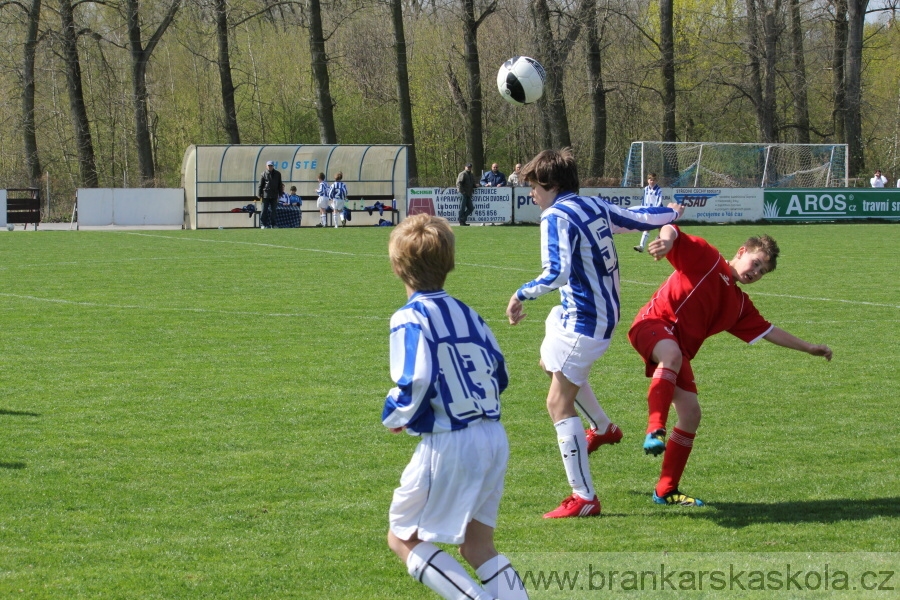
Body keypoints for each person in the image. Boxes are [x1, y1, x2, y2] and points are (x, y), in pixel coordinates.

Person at [505, 148, 684, 519]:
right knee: (549, 361)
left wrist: (520, 294)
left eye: (534, 187)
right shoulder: (594, 205)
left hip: (586, 321)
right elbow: (638, 218)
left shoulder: (554, 216)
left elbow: (557, 273)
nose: (531, 195)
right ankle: (602, 427)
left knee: (557, 403)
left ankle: (584, 496)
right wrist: (673, 212)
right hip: (595, 314)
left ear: (551, 185)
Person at [628, 225, 833, 507]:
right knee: (672, 356)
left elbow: (769, 330)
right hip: (652, 325)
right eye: (755, 263)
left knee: (691, 415)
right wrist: (665, 241)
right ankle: (655, 428)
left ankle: (666, 490)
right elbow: (671, 228)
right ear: (741, 252)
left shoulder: (737, 304)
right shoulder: (708, 258)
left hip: (678, 351)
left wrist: (809, 348)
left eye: (762, 272)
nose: (755, 273)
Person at [383, 214, 528, 600]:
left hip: (452, 442)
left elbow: (414, 380)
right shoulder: (471, 314)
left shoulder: (409, 318)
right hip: (493, 435)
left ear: (397, 267)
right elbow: (499, 374)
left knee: (402, 536)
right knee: (478, 547)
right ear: (450, 263)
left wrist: (396, 415)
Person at [633, 173, 663, 252]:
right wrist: (642, 209)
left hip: (658, 212)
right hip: (649, 211)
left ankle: (661, 242)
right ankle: (641, 246)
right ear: (648, 180)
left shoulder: (658, 189)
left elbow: (659, 200)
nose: (652, 181)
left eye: (654, 180)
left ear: (656, 181)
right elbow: (644, 200)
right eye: (650, 180)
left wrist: (655, 209)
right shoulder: (646, 189)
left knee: (662, 229)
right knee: (647, 228)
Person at [257, 160, 282, 229]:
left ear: (273, 166)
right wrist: (259, 194)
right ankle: (263, 224)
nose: (270, 167)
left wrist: (280, 193)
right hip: (266, 195)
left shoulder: (278, 174)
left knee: (274, 211)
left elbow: (280, 184)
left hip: (274, 195)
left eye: (271, 166)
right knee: (264, 210)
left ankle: (273, 224)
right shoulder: (263, 174)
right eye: (269, 166)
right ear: (266, 166)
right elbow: (260, 185)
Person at [456, 162, 477, 226]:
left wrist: (476, 185)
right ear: (465, 167)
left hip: (468, 194)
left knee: (471, 208)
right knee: (462, 208)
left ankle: (463, 219)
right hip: (463, 193)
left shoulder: (471, 174)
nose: (469, 168)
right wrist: (462, 192)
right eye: (468, 167)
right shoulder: (463, 174)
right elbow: (459, 183)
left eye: (470, 167)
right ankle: (461, 221)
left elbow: (472, 184)